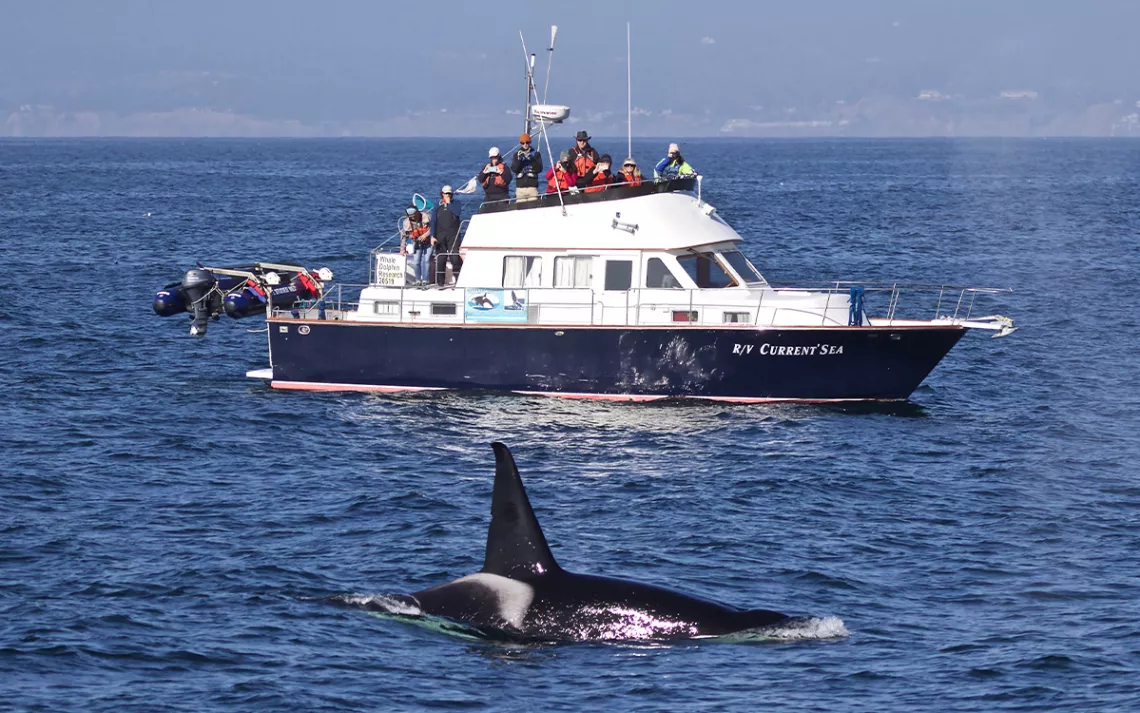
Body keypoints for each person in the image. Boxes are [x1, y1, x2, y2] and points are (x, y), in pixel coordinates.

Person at [433, 185, 463, 286]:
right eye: (446, 193)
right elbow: (433, 221)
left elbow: (457, 212)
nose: (447, 195)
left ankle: (458, 281)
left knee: (455, 258)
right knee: (441, 259)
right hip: (440, 235)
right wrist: (432, 236)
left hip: (453, 235)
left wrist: (449, 203)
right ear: (442, 194)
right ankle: (440, 283)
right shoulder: (437, 206)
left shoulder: (456, 204)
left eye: (449, 193)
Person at [400, 206, 434, 286]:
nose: (413, 218)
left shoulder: (427, 217)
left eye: (414, 215)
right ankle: (418, 280)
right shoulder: (406, 223)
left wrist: (425, 235)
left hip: (428, 242)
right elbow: (404, 236)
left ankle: (425, 279)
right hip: (417, 243)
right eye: (410, 217)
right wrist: (402, 249)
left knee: (426, 260)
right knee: (416, 261)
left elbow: (433, 228)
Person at [510, 133, 544, 203]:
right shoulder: (516, 155)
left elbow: (539, 169)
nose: (525, 144)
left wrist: (532, 159)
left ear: (530, 142)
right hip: (520, 189)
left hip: (532, 188)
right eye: (523, 143)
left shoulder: (536, 154)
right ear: (521, 143)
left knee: (533, 207)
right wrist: (519, 160)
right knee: (520, 209)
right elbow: (514, 169)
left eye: (527, 142)